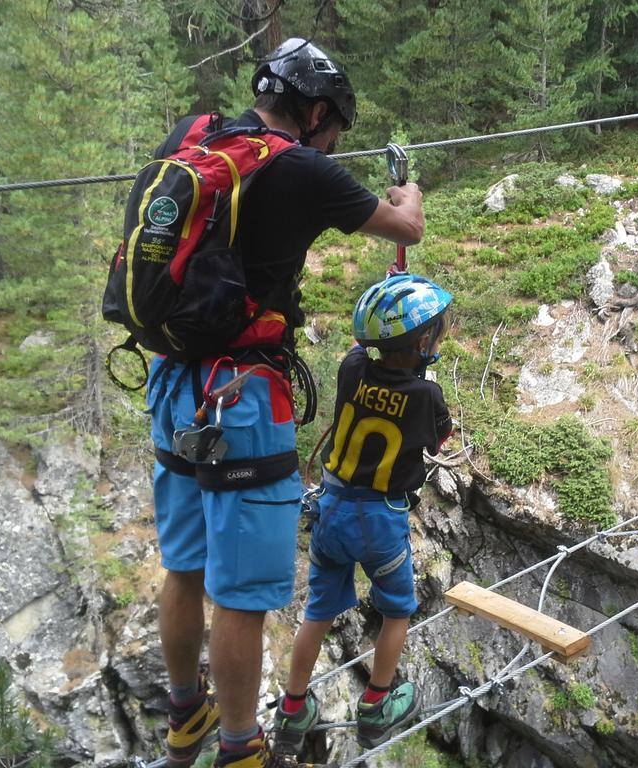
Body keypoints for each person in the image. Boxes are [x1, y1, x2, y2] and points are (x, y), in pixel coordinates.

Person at [151, 39, 424, 768]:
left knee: (183, 567)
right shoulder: (303, 165)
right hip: (241, 395)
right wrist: (408, 194)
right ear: (313, 111)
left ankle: (186, 715)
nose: (336, 141)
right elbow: (405, 229)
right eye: (335, 125)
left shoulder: (195, 135)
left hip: (171, 377)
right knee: (240, 594)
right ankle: (241, 749)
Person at [271, 273, 453, 757]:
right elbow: (439, 440)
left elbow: (360, 344)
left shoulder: (352, 369)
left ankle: (292, 708)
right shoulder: (426, 396)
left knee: (319, 613)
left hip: (331, 511)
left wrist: (384, 296)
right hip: (379, 522)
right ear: (421, 341)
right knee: (397, 610)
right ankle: (376, 703)